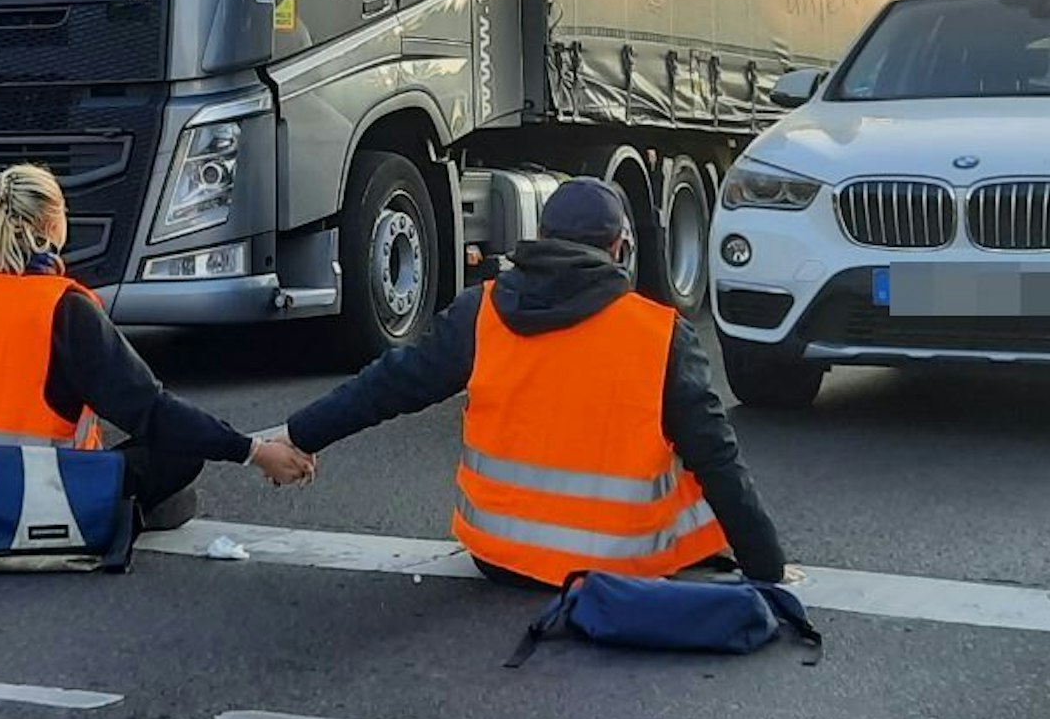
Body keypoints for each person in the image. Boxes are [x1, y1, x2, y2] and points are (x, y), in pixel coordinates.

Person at [276, 177, 787, 588]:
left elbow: (389, 386)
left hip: (502, 559)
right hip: (621, 567)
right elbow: (716, 454)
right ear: (620, 248)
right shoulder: (659, 334)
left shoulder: (482, 312)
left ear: (541, 236)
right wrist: (767, 566)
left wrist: (300, 436)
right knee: (687, 452)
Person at [0, 164, 313, 544]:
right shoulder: (63, 306)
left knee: (174, 487)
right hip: (45, 498)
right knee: (180, 451)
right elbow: (149, 410)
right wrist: (254, 451)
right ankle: (118, 514)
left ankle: (132, 510)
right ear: (50, 226)